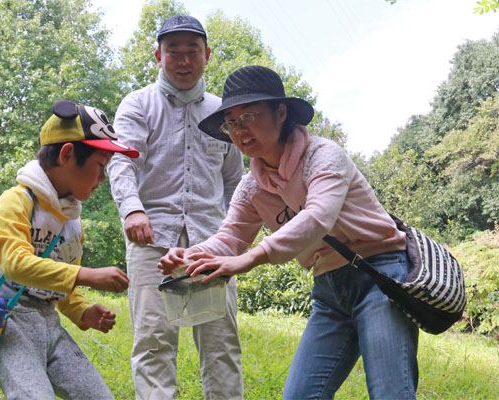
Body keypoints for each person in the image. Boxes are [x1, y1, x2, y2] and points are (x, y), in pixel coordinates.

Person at [158, 65, 419, 399]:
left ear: (281, 112)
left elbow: (317, 218)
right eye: (232, 122)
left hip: (379, 276)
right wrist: (192, 255)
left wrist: (253, 258)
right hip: (329, 290)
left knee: (390, 392)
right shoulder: (251, 186)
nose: (239, 130)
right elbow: (231, 237)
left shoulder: (324, 157)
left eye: (248, 116)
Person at [107, 15, 245, 400]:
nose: (183, 61)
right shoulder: (137, 105)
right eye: (174, 52)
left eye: (192, 52)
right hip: (151, 240)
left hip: (212, 245)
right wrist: (132, 209)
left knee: (222, 345)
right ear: (158, 55)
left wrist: (236, 238)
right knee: (153, 343)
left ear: (207, 55)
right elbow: (122, 162)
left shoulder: (225, 114)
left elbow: (235, 183)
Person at [0, 100, 139, 399]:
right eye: (100, 167)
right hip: (7, 323)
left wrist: (83, 311)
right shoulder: (16, 202)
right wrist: (87, 274)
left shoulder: (72, 222)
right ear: (67, 154)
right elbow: (15, 264)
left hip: (49, 326)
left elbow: (63, 288)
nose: (102, 179)